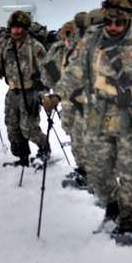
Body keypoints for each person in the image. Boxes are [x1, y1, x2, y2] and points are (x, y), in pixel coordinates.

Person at [42, 0, 132, 245]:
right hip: (98, 114)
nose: (113, 27)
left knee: (131, 172)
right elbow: (75, 71)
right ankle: (112, 206)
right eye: (109, 22)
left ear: (128, 20)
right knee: (97, 172)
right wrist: (58, 94)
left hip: (131, 116)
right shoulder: (92, 41)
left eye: (119, 22)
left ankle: (127, 223)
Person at [0, 10, 52, 167]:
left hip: (31, 93)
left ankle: (44, 148)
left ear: (26, 28)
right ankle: (22, 158)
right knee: (12, 128)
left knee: (28, 128)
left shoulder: (35, 47)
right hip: (12, 93)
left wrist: (42, 86)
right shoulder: (6, 46)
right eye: (13, 27)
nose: (16, 30)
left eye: (19, 27)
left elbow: (50, 71)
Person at [45, 19, 90, 190]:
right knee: (73, 134)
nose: (68, 41)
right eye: (66, 38)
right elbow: (49, 72)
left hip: (84, 101)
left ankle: (91, 173)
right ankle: (83, 169)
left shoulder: (85, 52)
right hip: (66, 102)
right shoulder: (59, 52)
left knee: (83, 137)